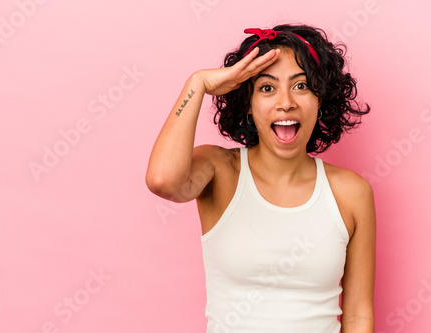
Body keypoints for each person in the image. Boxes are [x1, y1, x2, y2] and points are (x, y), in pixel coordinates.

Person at [146, 24, 376, 333]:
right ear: (249, 105)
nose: (285, 103)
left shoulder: (351, 192)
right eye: (267, 88)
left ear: (321, 100)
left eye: (301, 86)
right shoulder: (219, 170)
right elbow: (163, 181)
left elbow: (358, 315)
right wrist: (197, 83)